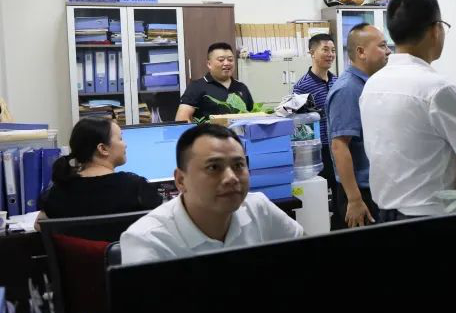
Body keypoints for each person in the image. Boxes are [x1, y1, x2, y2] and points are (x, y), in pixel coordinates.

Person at [359, 0, 456, 222]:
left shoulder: (372, 84)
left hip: (385, 215)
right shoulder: (437, 88)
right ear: (435, 30)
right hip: (431, 218)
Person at [120, 124, 303, 264]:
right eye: (214, 167)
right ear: (181, 180)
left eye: (238, 165)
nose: (231, 178)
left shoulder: (259, 208)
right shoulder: (147, 240)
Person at [34, 117, 162, 234]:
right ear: (103, 149)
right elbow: (163, 222)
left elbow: (39, 225)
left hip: (77, 253)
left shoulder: (58, 192)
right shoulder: (135, 187)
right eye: (120, 139)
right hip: (125, 253)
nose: (125, 144)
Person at [326, 23, 391, 227]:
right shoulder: (348, 89)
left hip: (375, 187)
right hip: (359, 192)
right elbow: (339, 146)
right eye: (382, 46)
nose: (388, 51)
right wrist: (354, 200)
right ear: (361, 52)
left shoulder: (369, 83)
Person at [293, 33, 338, 183]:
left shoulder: (337, 81)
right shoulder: (302, 87)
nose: (330, 54)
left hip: (338, 145)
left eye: (333, 50)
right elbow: (299, 126)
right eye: (325, 50)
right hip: (317, 151)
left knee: (339, 188)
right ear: (312, 53)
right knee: (319, 189)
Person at [176, 42, 254, 122]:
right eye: (221, 60)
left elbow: (253, 115)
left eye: (230, 60)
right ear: (209, 64)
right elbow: (181, 119)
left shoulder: (241, 87)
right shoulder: (196, 87)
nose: (227, 63)